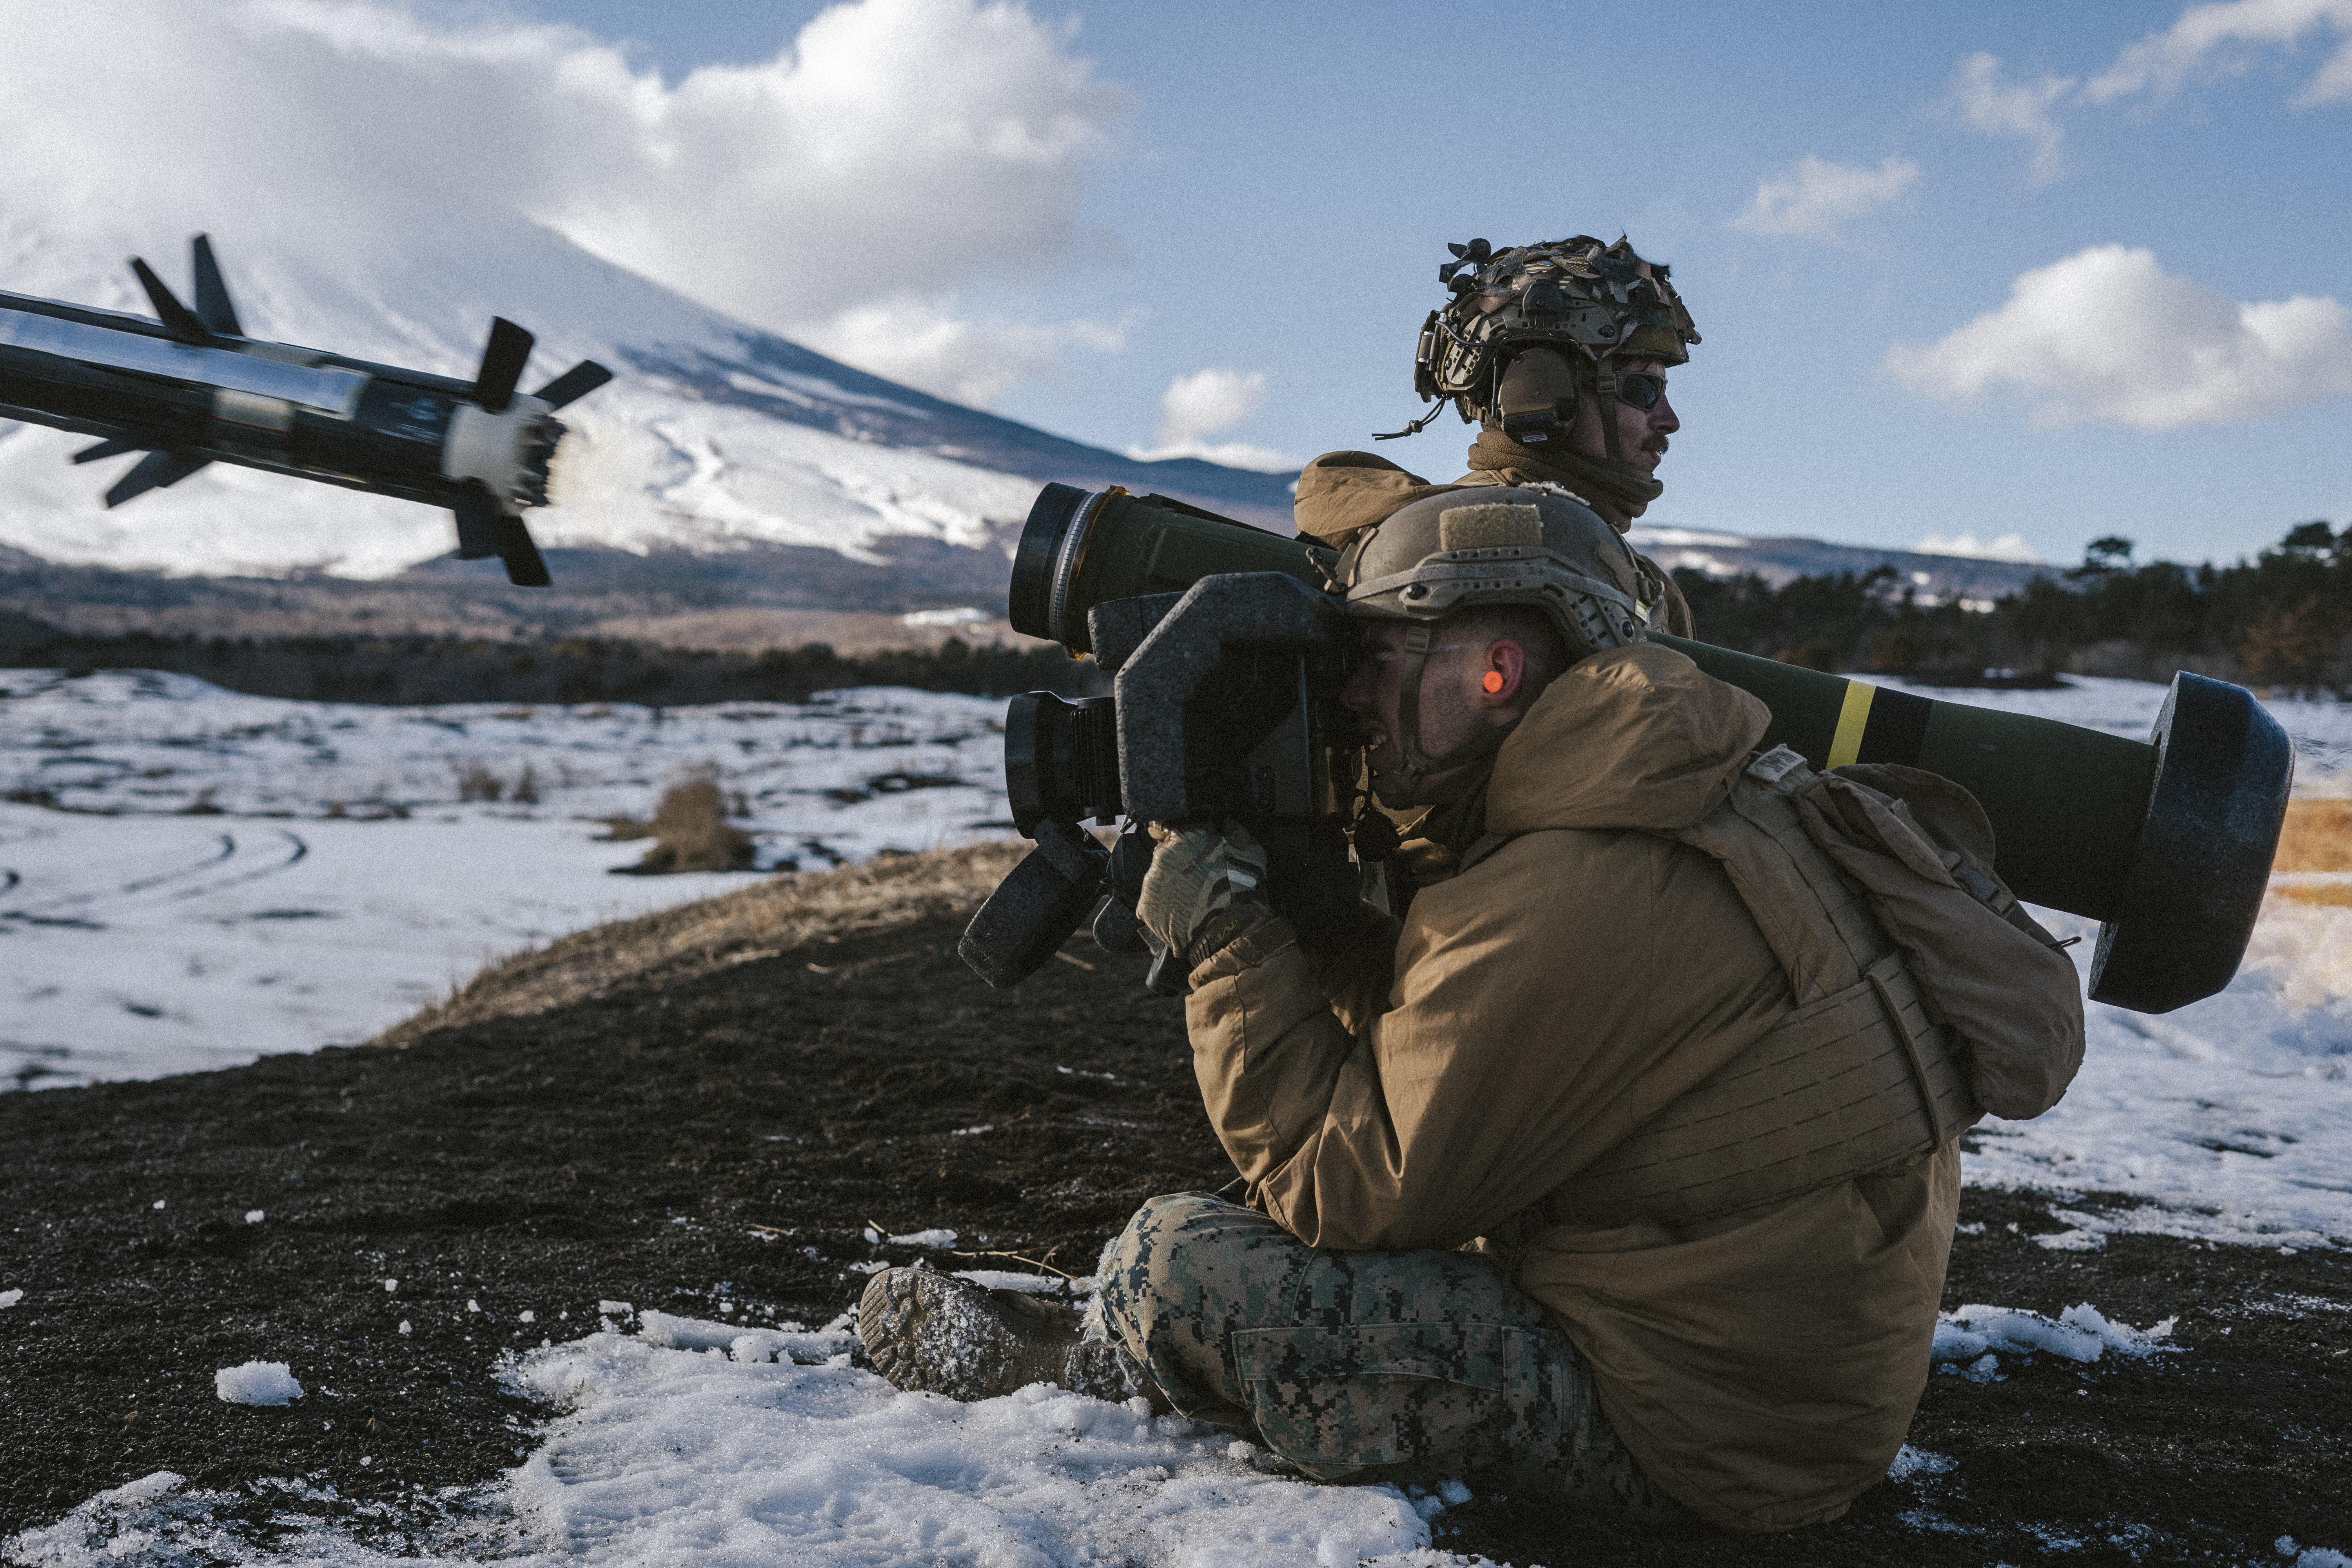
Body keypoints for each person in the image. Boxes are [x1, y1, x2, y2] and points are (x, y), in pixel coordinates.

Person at [859, 236, 2084, 1534]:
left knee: (1184, 1259)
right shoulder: (1645, 776)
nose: (1357, 699)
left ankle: (1090, 1366)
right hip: (1766, 1369)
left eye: (1391, 658)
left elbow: (1344, 1184)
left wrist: (1227, 941)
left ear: (1503, 667)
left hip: (1701, 1437)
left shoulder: (1577, 877)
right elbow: (1445, 1042)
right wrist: (1311, 917)